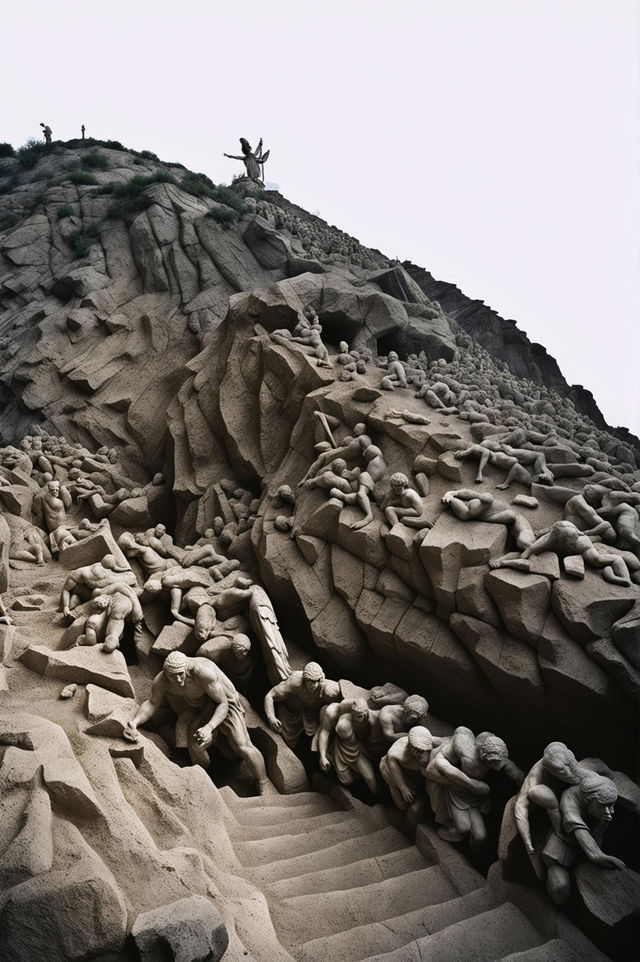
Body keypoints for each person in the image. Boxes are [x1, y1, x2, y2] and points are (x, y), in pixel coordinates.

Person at [124, 651, 270, 792]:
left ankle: (264, 782)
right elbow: (152, 703)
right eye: (172, 676)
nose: (178, 680)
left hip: (225, 703)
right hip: (204, 706)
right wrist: (135, 723)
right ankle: (202, 782)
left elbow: (222, 703)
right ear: (166, 673)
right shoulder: (162, 681)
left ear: (186, 668)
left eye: (180, 674)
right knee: (194, 745)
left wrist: (209, 727)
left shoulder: (203, 672)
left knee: (241, 744)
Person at [264, 661, 341, 748]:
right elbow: (270, 696)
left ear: (320, 680)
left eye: (314, 681)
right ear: (304, 679)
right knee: (287, 742)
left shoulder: (328, 689)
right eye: (308, 681)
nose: (311, 685)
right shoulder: (295, 682)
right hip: (291, 714)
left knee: (316, 742)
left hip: (314, 715)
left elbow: (342, 705)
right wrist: (271, 718)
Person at [380, 727, 440, 810]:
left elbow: (448, 741)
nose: (421, 753)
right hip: (391, 771)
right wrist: (403, 788)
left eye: (423, 750)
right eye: (417, 750)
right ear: (411, 747)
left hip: (413, 773)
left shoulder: (427, 740)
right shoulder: (396, 753)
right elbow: (393, 768)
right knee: (401, 803)